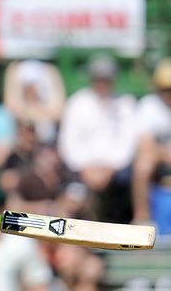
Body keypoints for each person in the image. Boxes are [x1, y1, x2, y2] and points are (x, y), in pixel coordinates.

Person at [58, 54, 137, 223]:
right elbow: (69, 142)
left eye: (106, 78)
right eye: (99, 78)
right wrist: (85, 167)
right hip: (81, 169)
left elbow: (128, 141)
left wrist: (111, 167)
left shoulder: (125, 103)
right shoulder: (77, 102)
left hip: (116, 169)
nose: (102, 83)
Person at [132, 58, 171, 231]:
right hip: (158, 160)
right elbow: (144, 144)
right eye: (166, 89)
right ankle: (142, 217)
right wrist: (165, 154)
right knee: (143, 165)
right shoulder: (149, 106)